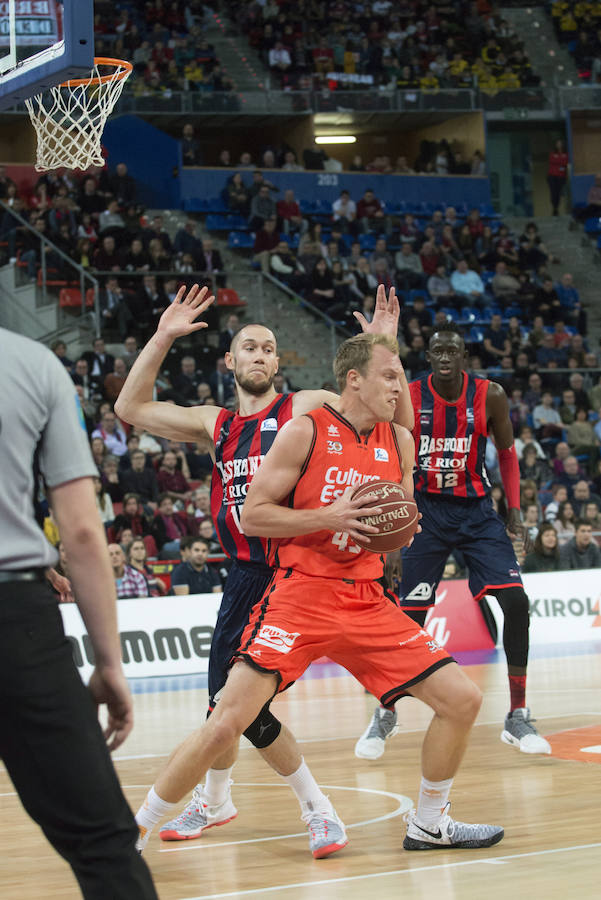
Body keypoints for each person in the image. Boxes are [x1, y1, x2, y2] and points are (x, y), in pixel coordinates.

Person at [134, 332, 504, 855]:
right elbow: (252, 513)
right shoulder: (303, 431)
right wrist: (326, 517)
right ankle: (136, 830)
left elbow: (397, 518)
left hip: (368, 597)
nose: (403, 389)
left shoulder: (399, 442)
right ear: (354, 381)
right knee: (225, 724)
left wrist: (401, 529)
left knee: (463, 700)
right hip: (300, 593)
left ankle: (428, 822)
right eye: (390, 378)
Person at [116, 282, 414, 855]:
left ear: (278, 362)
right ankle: (219, 798)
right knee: (225, 710)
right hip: (243, 578)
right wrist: (162, 336)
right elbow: (129, 409)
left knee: (235, 713)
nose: (259, 355)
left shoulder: (302, 407)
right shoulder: (216, 424)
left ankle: (314, 810)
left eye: (269, 348)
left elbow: (372, 402)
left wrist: (380, 345)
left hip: (294, 573)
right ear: (230, 361)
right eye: (249, 347)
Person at [0, 327, 157, 899]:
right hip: (14, 618)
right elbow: (84, 533)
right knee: (103, 844)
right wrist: (108, 662)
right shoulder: (33, 365)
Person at [355, 323, 552, 761]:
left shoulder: (490, 395)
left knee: (517, 602)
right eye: (438, 350)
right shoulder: (410, 395)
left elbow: (505, 453)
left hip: (476, 511)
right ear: (428, 357)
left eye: (453, 351)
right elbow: (392, 456)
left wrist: (514, 510)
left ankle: (517, 714)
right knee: (407, 617)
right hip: (425, 511)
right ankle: (386, 712)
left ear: (464, 357)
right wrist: (393, 530)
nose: (445, 357)